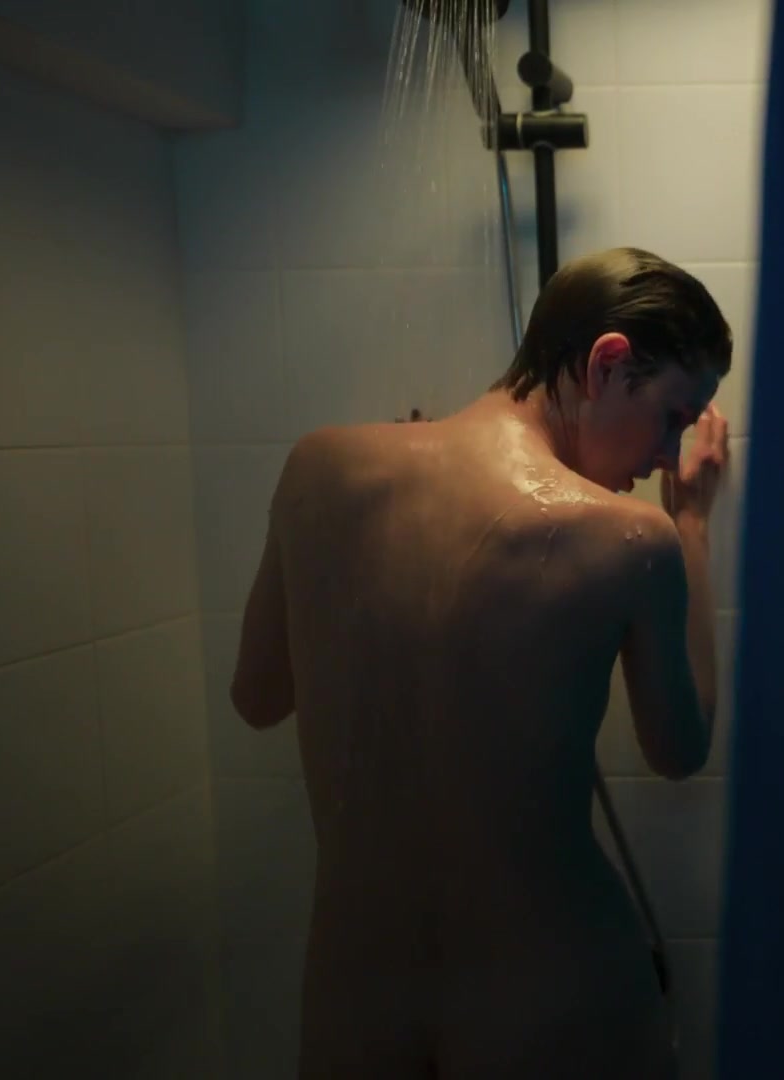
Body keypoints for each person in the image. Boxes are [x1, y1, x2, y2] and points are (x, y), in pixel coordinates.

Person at [229, 247, 731, 1079]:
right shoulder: (631, 537)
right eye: (674, 415)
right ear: (607, 364)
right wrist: (694, 526)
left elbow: (257, 696)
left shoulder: (318, 468)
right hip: (553, 993)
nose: (668, 457)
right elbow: (680, 747)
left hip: (357, 1003)